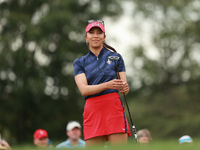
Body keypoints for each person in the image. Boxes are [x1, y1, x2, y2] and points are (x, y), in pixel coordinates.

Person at [73, 20, 131, 147]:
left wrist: (125, 88)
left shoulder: (116, 57)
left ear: (104, 37)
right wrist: (107, 85)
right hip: (93, 109)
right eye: (91, 32)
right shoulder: (79, 62)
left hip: (113, 107)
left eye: (99, 33)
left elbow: (123, 88)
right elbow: (84, 90)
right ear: (86, 37)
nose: (95, 35)